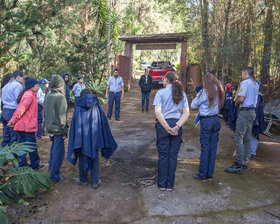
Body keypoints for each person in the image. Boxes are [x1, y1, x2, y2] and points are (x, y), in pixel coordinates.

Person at [67, 89, 118, 188]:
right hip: (95, 138)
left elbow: (75, 126)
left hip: (82, 139)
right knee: (95, 157)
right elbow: (103, 124)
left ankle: (83, 180)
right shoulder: (97, 107)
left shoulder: (78, 108)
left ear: (82, 96)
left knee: (82, 157)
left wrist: (76, 139)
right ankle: (95, 181)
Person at [153, 71, 189, 191]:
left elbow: (158, 112)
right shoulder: (182, 94)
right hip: (176, 125)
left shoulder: (161, 93)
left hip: (163, 126)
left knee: (163, 155)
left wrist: (167, 127)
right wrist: (177, 126)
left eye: (163, 79)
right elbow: (186, 113)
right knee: (173, 155)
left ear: (166, 80)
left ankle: (162, 184)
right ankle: (170, 184)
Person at [191, 72, 225, 182]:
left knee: (205, 148)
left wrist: (197, 96)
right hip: (216, 120)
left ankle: (202, 175)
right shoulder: (219, 89)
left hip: (207, 121)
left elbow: (193, 105)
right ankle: (209, 174)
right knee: (213, 148)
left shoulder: (204, 92)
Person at [225, 67, 259, 174]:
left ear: (245, 73)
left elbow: (241, 98)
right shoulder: (256, 84)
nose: (241, 75)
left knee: (238, 137)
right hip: (252, 111)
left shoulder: (245, 83)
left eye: (242, 73)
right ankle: (245, 162)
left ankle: (238, 164)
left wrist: (236, 103)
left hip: (244, 112)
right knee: (247, 138)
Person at [7, 77, 45, 170]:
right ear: (31, 87)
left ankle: (22, 165)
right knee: (31, 146)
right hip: (27, 127)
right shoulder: (29, 96)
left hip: (23, 126)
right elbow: (21, 110)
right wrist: (13, 121)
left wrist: (13, 121)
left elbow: (19, 109)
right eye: (37, 86)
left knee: (22, 147)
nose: (38, 87)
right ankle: (34, 164)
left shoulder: (29, 94)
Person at [45, 75, 68, 183]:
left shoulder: (48, 95)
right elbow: (62, 116)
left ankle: (51, 169)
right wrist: (64, 131)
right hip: (58, 129)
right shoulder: (60, 97)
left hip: (50, 128)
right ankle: (54, 176)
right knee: (59, 153)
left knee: (54, 150)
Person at [1, 70, 25, 147]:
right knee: (14, 135)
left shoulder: (6, 85)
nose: (23, 80)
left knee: (6, 134)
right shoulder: (17, 85)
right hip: (12, 111)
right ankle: (13, 156)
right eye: (22, 78)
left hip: (5, 111)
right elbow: (19, 100)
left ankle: (4, 155)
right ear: (18, 77)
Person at [251, 81, 265, 157]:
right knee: (252, 133)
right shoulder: (258, 95)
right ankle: (251, 150)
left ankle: (252, 151)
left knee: (254, 133)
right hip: (256, 117)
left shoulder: (258, 96)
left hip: (256, 117)